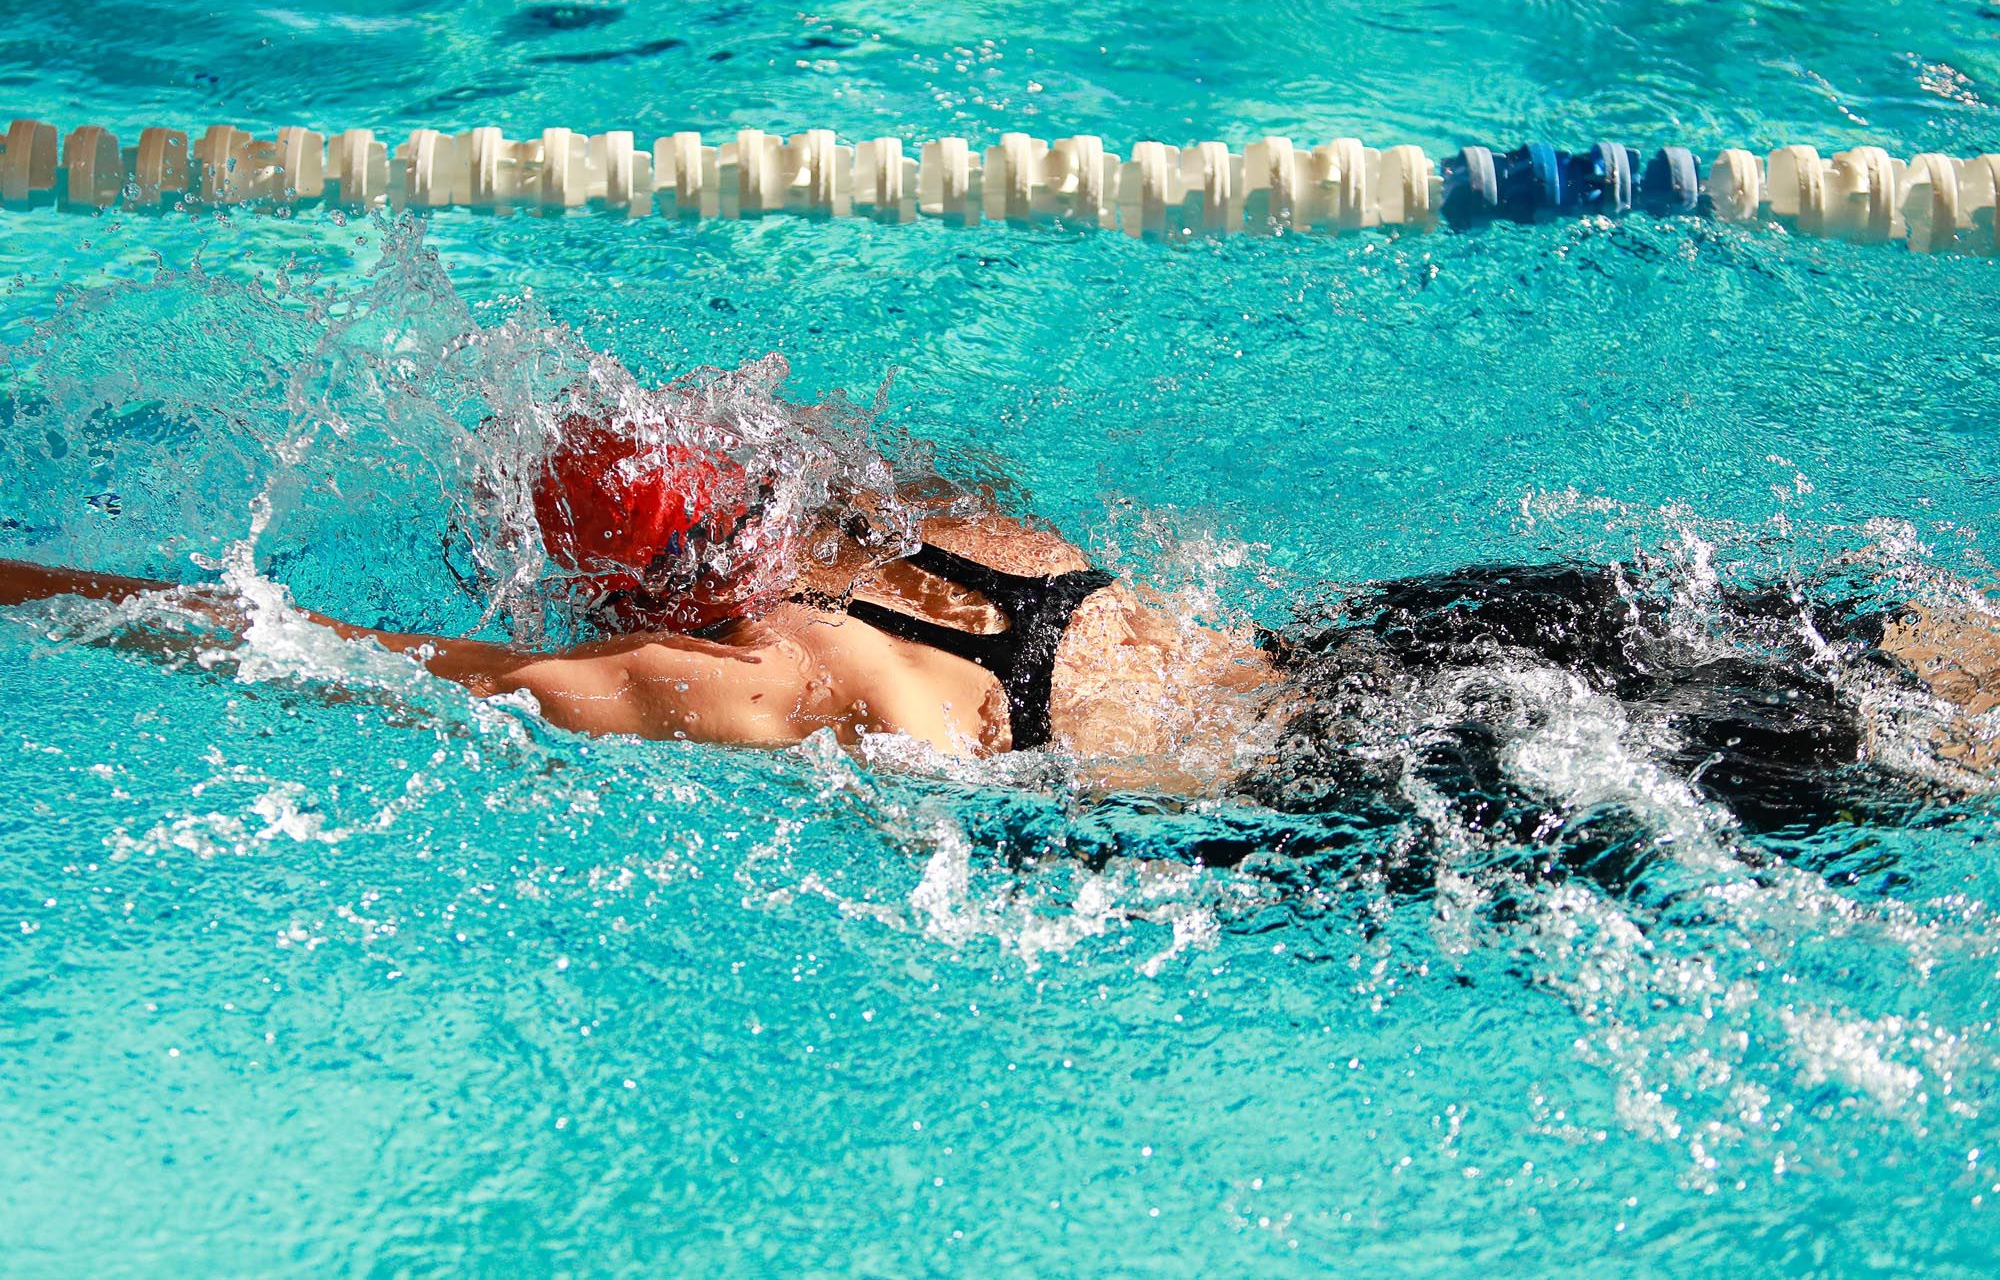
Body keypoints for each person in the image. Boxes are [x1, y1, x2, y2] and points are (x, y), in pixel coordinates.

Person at [3, 401, 1998, 850]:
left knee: (1885, 786)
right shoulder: (950, 523)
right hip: (1393, 631)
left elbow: (318, 653)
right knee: (1900, 665)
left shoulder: (760, 673)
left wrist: (36, 594)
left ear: (625, 594)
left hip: (1354, 773)